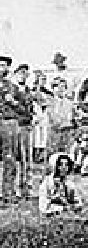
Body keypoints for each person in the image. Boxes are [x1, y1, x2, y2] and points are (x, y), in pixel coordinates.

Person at [0, 53, 22, 202]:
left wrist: (13, 103)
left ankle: (8, 192)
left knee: (10, 158)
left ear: (8, 68)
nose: (1, 68)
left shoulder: (13, 87)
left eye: (3, 65)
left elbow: (24, 108)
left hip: (8, 123)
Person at [13, 63, 34, 197]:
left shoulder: (28, 90)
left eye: (25, 73)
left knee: (27, 157)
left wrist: (31, 117)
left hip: (26, 125)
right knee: (17, 156)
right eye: (21, 73)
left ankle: (27, 186)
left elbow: (30, 107)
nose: (23, 76)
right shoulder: (12, 89)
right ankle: (17, 187)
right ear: (16, 75)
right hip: (16, 125)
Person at [38, 152, 82, 216]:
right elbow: (43, 206)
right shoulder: (47, 183)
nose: (64, 167)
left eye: (66, 165)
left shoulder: (69, 184)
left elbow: (77, 202)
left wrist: (72, 205)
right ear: (56, 166)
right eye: (60, 165)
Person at [47, 78, 77, 153]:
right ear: (53, 89)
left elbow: (72, 117)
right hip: (54, 132)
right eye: (57, 86)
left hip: (67, 132)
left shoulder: (70, 103)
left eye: (63, 86)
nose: (60, 89)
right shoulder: (49, 102)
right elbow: (50, 117)